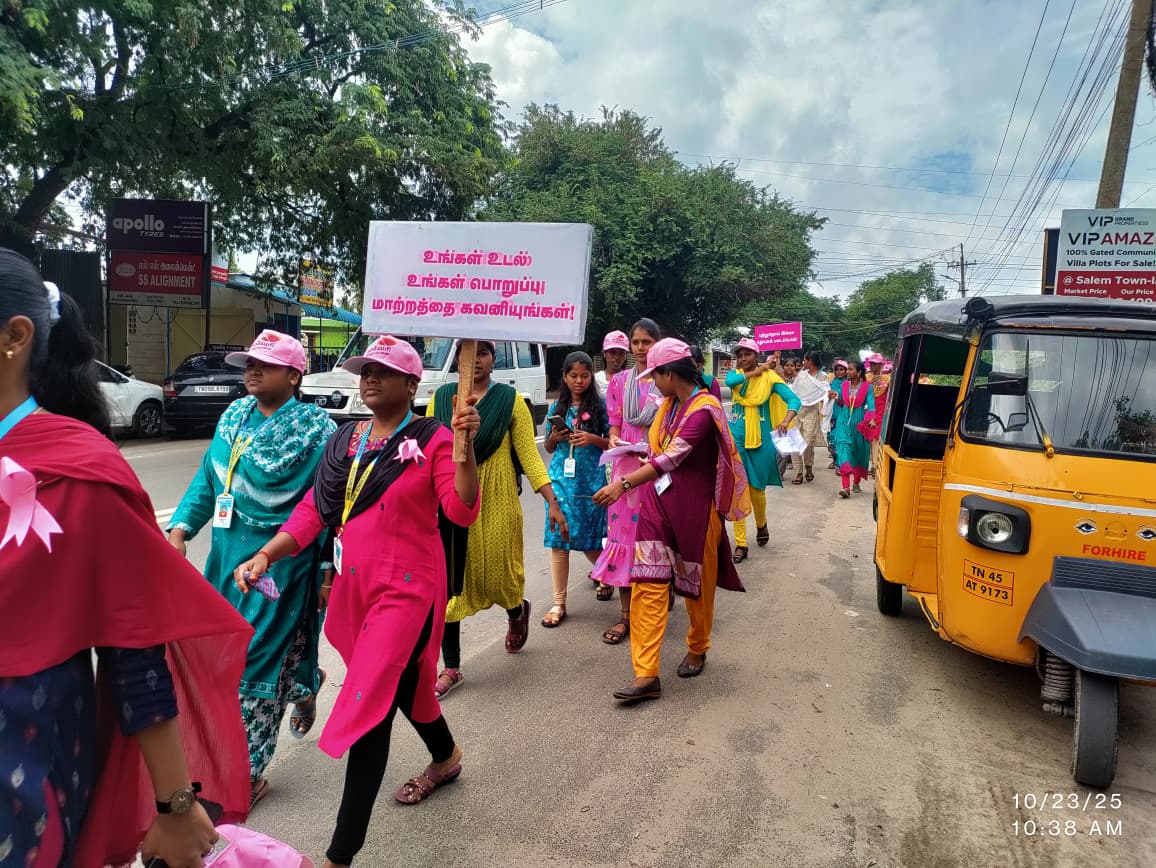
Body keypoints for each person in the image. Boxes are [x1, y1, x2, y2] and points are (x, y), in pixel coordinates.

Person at [0, 248, 252, 868]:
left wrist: (175, 804)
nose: (253, 375)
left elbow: (134, 644)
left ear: (14, 337)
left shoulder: (79, 470)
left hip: (20, 775)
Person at [232, 336, 482, 868]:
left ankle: (339, 856)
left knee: (372, 703)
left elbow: (460, 511)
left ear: (412, 384)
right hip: (356, 591)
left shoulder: (434, 438)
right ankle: (446, 756)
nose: (369, 378)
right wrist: (267, 554)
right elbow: (314, 510)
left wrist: (466, 451)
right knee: (405, 687)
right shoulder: (346, 438)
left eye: (382, 371)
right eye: (365, 370)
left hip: (408, 591)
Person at [168, 329, 336, 808]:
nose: (253, 371)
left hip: (281, 569)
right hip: (226, 563)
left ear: (294, 375)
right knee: (220, 659)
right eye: (249, 364)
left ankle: (249, 772)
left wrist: (327, 568)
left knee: (255, 664)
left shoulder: (317, 431)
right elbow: (209, 479)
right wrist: (180, 530)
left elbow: (326, 506)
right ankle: (303, 682)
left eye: (266, 364)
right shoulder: (234, 417)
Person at [593, 339, 750, 704]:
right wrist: (637, 454)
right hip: (657, 506)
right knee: (647, 584)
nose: (652, 382)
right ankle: (646, 674)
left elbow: (671, 458)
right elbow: (657, 449)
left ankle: (698, 646)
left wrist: (622, 484)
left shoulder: (704, 409)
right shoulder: (667, 405)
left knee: (697, 589)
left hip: (696, 512)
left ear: (670, 373)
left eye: (655, 375)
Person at [428, 340, 567, 697]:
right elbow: (429, 453)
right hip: (452, 501)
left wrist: (552, 501)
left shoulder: (511, 401)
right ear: (457, 357)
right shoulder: (441, 398)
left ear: (494, 359)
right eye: (468, 351)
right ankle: (452, 666)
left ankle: (516, 611)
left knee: (500, 576)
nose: (475, 359)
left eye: (483, 352)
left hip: (497, 501)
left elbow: (530, 456)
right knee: (450, 584)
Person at [590, 317, 661, 646]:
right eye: (637, 342)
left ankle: (655, 601)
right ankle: (626, 615)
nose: (641, 348)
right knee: (622, 539)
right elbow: (615, 424)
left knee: (654, 538)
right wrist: (616, 439)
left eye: (647, 342)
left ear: (657, 344)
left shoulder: (666, 380)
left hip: (657, 468)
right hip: (623, 468)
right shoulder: (619, 382)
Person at [542, 351, 610, 626]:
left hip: (590, 481)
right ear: (564, 377)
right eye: (573, 375)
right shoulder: (557, 408)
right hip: (560, 481)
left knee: (588, 539)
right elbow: (549, 448)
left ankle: (610, 574)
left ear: (591, 377)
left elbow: (613, 443)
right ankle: (558, 603)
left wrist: (593, 439)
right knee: (559, 540)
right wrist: (554, 436)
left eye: (584, 375)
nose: (579, 381)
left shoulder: (601, 407)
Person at [724, 338, 799, 562]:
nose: (743, 358)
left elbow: (794, 400)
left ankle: (761, 523)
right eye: (739, 355)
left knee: (757, 489)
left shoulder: (770, 379)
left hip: (762, 440)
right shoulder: (736, 376)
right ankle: (741, 543)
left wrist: (786, 420)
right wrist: (758, 370)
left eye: (748, 354)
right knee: (738, 488)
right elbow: (731, 380)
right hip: (736, 437)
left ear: (756, 355)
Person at [832, 360, 878, 498]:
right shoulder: (844, 385)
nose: (847, 372)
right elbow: (842, 403)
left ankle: (856, 482)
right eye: (847, 369)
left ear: (859, 372)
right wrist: (836, 398)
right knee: (843, 449)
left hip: (859, 422)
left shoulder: (867, 387)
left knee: (859, 452)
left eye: (850, 369)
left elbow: (871, 405)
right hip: (843, 420)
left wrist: (871, 419)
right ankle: (845, 487)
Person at [786, 350, 829, 484]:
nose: (803, 362)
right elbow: (794, 391)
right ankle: (798, 473)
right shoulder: (802, 375)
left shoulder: (823, 376)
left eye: (805, 360)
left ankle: (808, 466)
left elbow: (824, 391)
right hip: (798, 411)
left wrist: (830, 396)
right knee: (795, 442)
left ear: (811, 361)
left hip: (812, 412)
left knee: (807, 443)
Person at [866, 353, 890, 477]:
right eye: (871, 363)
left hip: (881, 411)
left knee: (877, 438)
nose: (872, 365)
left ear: (881, 364)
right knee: (869, 438)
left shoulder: (887, 379)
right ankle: (871, 464)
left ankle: (875, 465)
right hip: (868, 410)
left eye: (875, 363)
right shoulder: (866, 377)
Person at [824, 359, 848, 469]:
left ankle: (840, 464)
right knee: (831, 440)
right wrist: (828, 397)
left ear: (846, 371)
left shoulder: (849, 384)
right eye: (837, 369)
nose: (839, 371)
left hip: (844, 416)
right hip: (832, 416)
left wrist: (838, 399)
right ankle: (835, 460)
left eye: (841, 369)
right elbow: (824, 399)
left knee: (841, 440)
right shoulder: (830, 384)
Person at [594, 330, 630, 397]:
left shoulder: (630, 380)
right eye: (612, 352)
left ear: (625, 356)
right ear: (604, 353)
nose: (617, 357)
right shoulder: (596, 380)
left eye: (621, 353)